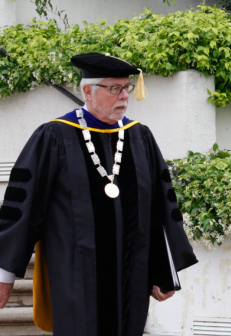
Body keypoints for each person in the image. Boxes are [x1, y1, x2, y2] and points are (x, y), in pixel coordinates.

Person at [0, 53, 198, 336]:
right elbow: (23, 207)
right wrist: (4, 274)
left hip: (133, 278)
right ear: (87, 91)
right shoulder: (54, 136)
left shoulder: (140, 137)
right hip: (75, 279)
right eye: (114, 88)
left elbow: (160, 209)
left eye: (126, 87)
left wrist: (163, 271)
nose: (124, 96)